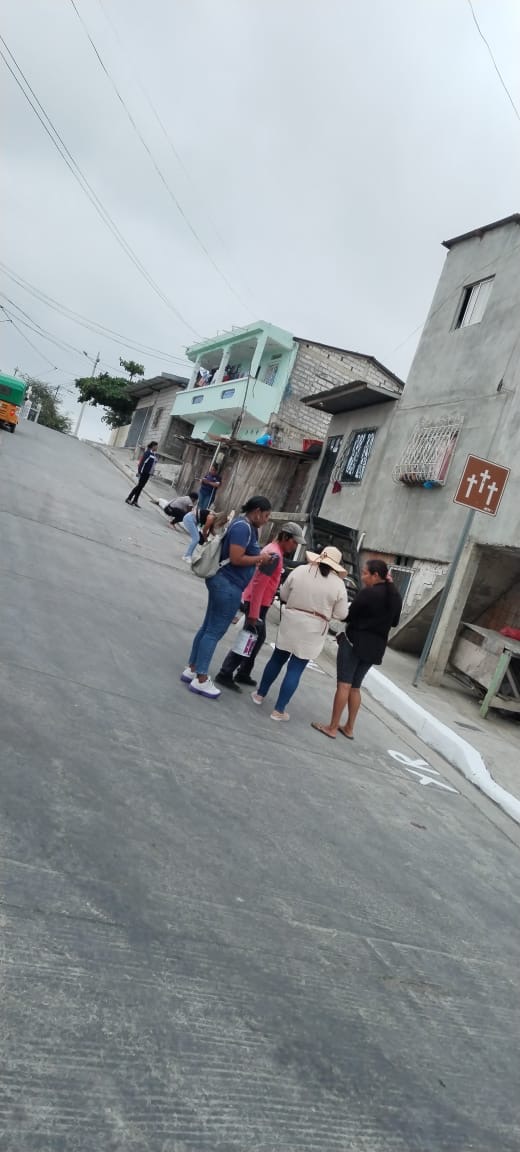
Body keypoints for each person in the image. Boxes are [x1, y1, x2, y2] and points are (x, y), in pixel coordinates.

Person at [181, 496, 273, 698]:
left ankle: (193, 668)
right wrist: (260, 558)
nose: (267, 520)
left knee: (208, 627)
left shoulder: (244, 525)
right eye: (266, 516)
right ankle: (201, 678)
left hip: (225, 582)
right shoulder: (243, 528)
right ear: (257, 512)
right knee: (214, 631)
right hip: (228, 584)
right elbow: (237, 558)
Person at [251, 547, 349, 722]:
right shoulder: (338, 584)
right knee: (295, 668)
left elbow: (284, 594)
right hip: (314, 627)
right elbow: (341, 614)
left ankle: (259, 694)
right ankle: (278, 710)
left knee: (276, 659)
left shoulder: (301, 570)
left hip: (292, 619)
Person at [311, 558, 402, 741]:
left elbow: (348, 616)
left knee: (344, 684)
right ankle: (349, 728)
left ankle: (332, 727)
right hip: (375, 649)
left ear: (376, 575)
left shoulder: (368, 593)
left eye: (365, 573)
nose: (362, 577)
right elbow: (394, 622)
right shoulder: (395, 597)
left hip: (354, 643)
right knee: (355, 687)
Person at [215, 522, 307, 691]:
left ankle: (244, 671)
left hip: (258, 601)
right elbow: (259, 584)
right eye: (294, 542)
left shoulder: (273, 550)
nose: (294, 546)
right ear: (285, 537)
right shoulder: (274, 556)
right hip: (257, 602)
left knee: (257, 638)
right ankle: (225, 672)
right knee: (249, 637)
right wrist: (254, 613)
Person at [125, 441, 158, 507]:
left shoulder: (153, 454)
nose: (157, 448)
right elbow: (142, 463)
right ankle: (129, 498)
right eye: (156, 446)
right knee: (139, 486)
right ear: (153, 446)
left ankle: (135, 501)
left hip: (148, 473)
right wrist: (139, 472)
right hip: (143, 473)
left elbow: (152, 464)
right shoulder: (148, 453)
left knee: (140, 487)